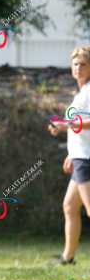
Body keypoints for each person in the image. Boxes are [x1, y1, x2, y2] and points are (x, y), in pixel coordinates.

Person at [48, 46, 90, 265]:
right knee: (70, 206)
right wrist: (71, 153)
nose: (78, 68)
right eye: (75, 64)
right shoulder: (81, 93)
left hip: (87, 159)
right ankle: (68, 257)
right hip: (80, 156)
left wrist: (66, 125)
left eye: (83, 64)